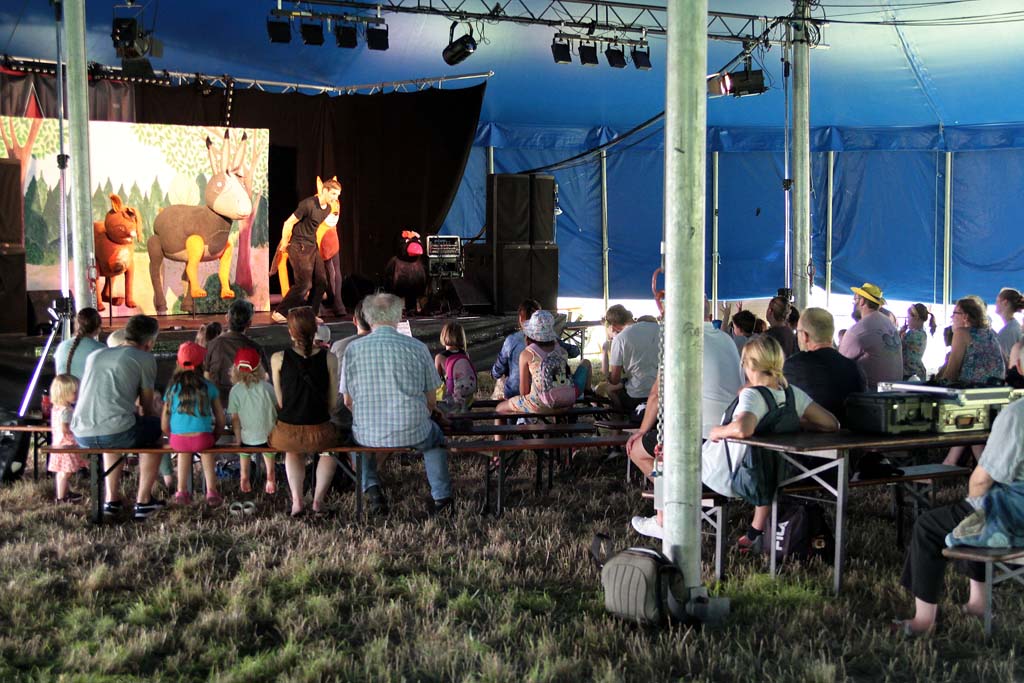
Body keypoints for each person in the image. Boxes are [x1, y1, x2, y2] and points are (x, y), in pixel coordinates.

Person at [894, 397, 1024, 635]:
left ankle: (923, 622)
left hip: (1015, 519)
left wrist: (973, 505)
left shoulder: (1017, 413)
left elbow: (982, 480)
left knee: (931, 525)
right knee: (972, 517)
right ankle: (978, 604)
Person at [710, 336, 838, 550]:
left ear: (750, 364)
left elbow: (743, 429)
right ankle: (755, 531)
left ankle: (664, 522)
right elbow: (831, 424)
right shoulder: (792, 395)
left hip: (732, 475)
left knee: (670, 465)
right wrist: (796, 422)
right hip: (778, 473)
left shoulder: (752, 395)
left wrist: (718, 431)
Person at [627, 311, 745, 538]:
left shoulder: (680, 341)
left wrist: (641, 431)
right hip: (729, 444)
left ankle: (668, 516)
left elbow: (656, 394)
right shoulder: (726, 339)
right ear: (708, 315)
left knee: (639, 450)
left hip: (698, 439)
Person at [341, 293, 452, 515]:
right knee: (435, 440)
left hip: (367, 433)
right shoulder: (418, 348)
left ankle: (373, 491)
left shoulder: (352, 350)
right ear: (399, 316)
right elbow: (431, 401)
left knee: (352, 443)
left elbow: (347, 401)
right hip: (414, 429)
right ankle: (442, 499)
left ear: (367, 317)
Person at [72, 314, 163, 520]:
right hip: (116, 432)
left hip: (81, 433)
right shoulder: (144, 358)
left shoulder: (96, 355)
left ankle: (111, 500)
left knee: (112, 428)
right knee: (155, 427)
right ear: (150, 342)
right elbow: (146, 407)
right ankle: (144, 501)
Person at [270, 307, 339, 517]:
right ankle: (318, 501)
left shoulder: (278, 358)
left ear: (290, 332)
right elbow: (332, 402)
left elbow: (280, 401)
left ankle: (297, 502)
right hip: (320, 429)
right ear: (315, 330)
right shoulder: (330, 358)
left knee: (292, 452)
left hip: (287, 432)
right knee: (329, 452)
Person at [272, 178, 342, 324]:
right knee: (304, 284)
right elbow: (288, 222)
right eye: (333, 194)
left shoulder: (328, 209)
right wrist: (284, 242)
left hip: (312, 246)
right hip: (298, 245)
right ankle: (280, 312)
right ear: (324, 190)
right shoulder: (308, 204)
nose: (335, 198)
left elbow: (315, 228)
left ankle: (311, 313)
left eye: (338, 195)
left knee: (322, 282)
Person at [164, 342, 226, 507]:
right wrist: (214, 436)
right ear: (201, 364)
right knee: (206, 451)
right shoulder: (209, 387)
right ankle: (211, 491)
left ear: (178, 362)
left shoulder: (172, 389)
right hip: (203, 439)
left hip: (178, 440)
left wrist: (173, 436)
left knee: (183, 451)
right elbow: (221, 420)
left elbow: (164, 423)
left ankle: (181, 491)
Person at [497, 310, 591, 416]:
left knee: (500, 408)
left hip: (540, 405)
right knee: (586, 363)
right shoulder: (562, 351)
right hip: (566, 403)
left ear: (529, 333)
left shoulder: (527, 354)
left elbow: (524, 392)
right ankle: (589, 395)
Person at [784, 307, 866, 423]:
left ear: (805, 336)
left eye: (798, 331)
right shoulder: (855, 368)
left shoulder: (792, 367)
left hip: (810, 433)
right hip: (851, 432)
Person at [492, 299, 580, 401]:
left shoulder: (512, 341)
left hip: (518, 394)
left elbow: (498, 371)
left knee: (500, 407)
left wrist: (495, 374)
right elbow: (574, 352)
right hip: (547, 393)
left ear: (520, 318)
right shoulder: (553, 341)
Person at [228, 347, 279, 495]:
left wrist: (238, 439)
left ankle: (244, 476)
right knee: (269, 452)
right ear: (259, 368)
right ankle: (270, 475)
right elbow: (278, 408)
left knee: (244, 452)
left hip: (247, 439)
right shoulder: (267, 387)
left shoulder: (235, 391)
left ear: (235, 369)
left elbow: (235, 419)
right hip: (269, 438)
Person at [838, 282, 903, 390]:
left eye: (855, 299)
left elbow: (838, 365)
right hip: (894, 391)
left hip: (872, 395)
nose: (854, 304)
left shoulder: (858, 330)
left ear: (862, 301)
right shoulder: (889, 323)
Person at [205, 300, 270, 402]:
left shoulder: (212, 345)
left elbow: (206, 376)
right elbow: (264, 378)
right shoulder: (255, 348)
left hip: (217, 402)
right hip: (245, 403)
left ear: (227, 318)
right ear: (249, 323)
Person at [604, 304, 660, 420]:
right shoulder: (658, 328)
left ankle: (619, 422)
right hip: (663, 392)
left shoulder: (619, 339)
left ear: (613, 326)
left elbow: (615, 379)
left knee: (610, 390)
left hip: (637, 395)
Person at [937, 297, 1005, 386]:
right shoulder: (991, 333)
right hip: (997, 389)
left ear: (965, 316)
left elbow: (951, 374)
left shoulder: (961, 333)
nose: (951, 317)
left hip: (972, 391)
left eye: (954, 313)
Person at [48, 374, 87, 503]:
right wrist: (77, 429)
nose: (77, 395)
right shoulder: (66, 410)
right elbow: (65, 428)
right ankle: (61, 497)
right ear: (64, 393)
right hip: (67, 444)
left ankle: (65, 492)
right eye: (74, 392)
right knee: (65, 472)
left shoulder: (57, 408)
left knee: (64, 471)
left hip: (60, 444)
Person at [434, 321, 477, 413]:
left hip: (449, 401)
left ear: (443, 336)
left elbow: (436, 381)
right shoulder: (465, 354)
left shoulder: (440, 357)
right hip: (466, 399)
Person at [52, 307, 104, 380]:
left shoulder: (62, 346)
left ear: (76, 325)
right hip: (84, 387)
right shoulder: (101, 349)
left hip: (61, 387)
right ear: (98, 328)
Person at [901, 303, 936, 380]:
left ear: (916, 318)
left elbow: (898, 347)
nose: (907, 320)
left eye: (908, 317)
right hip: (919, 371)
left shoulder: (912, 334)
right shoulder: (922, 333)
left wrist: (900, 333)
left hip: (910, 373)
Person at [995, 288, 1024, 365]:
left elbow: (1003, 362)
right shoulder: (1013, 327)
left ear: (1005, 302)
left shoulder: (1009, 332)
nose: (996, 304)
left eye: (997, 301)